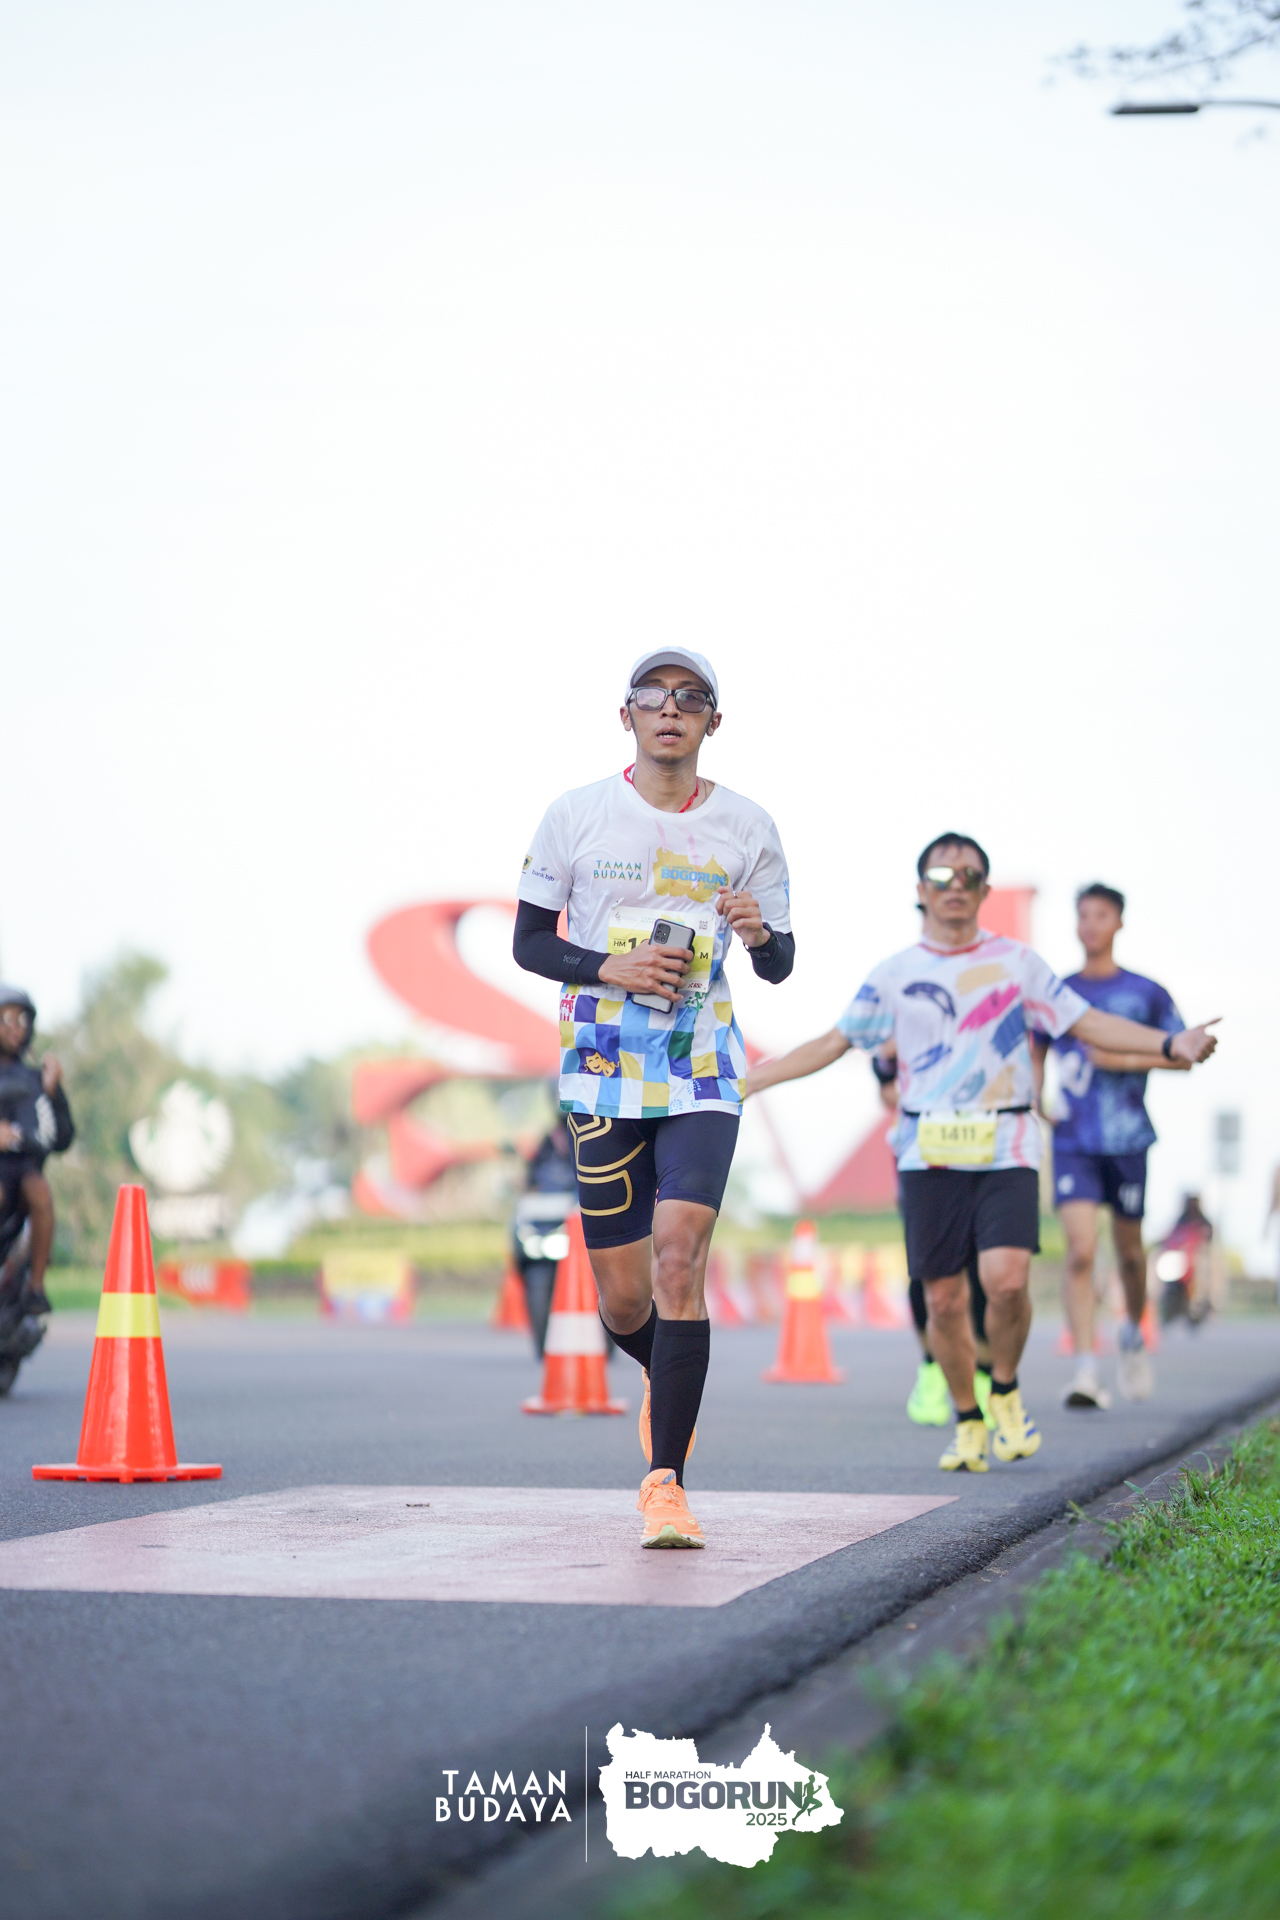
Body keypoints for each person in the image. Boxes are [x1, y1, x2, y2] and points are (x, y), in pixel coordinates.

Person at [744, 834, 1219, 1473]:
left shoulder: (1018, 965)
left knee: (1007, 1281)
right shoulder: (895, 974)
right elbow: (834, 1043)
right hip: (929, 1151)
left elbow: (1086, 1023)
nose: (956, 886)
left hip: (1006, 1143)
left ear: (984, 892)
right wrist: (750, 1081)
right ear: (922, 891)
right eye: (943, 876)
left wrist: (1169, 1044)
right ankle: (969, 1419)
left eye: (970, 876)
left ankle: (1006, 1388)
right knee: (943, 1300)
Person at [514, 650, 793, 1546]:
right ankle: (664, 1370)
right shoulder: (576, 814)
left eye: (690, 699)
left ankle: (664, 1482)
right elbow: (529, 943)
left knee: (681, 1260)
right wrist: (612, 967)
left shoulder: (747, 826)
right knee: (626, 1303)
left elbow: (781, 962)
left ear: (714, 721)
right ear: (626, 715)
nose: (670, 711)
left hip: (701, 1065)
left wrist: (760, 936)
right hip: (601, 1067)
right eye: (653, 697)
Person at [1032, 883, 1188, 1407]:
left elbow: (1182, 1054)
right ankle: (1084, 1369)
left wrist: (1122, 1059)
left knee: (1129, 1255)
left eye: (1101, 915)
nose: (1090, 925)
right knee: (1080, 1250)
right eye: (1083, 915)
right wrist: (1036, 1097)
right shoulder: (1060, 991)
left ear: (1118, 922)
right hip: (1073, 1138)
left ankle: (1132, 1336)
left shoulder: (1146, 993)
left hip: (1127, 1139)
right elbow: (1036, 1045)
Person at [873, 1043, 993, 1430]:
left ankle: (985, 1372)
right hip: (923, 1152)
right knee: (926, 1266)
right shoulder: (906, 1022)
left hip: (983, 1149)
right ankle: (931, 1367)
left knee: (981, 1265)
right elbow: (887, 1090)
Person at [0, 986, 74, 1356]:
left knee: (40, 1191)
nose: (17, 1026)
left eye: (23, 1019)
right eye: (8, 1019)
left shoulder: (34, 1079)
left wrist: (53, 1092)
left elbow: (62, 1138)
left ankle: (36, 1287)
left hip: (25, 1175)